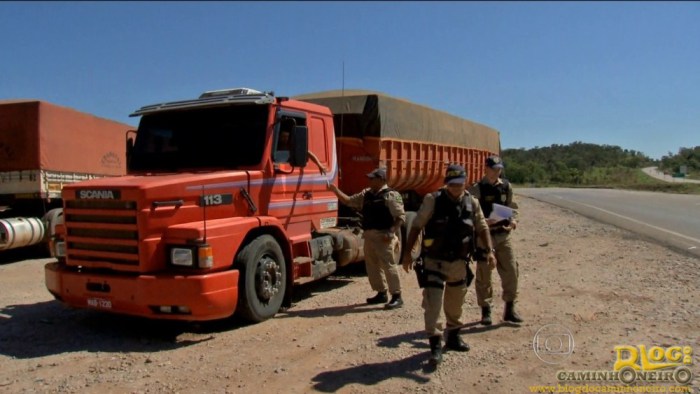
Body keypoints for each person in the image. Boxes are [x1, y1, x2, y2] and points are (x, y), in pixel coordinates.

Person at [401, 164, 496, 366]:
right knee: (433, 306)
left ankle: (453, 337)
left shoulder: (473, 203)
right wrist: (408, 253)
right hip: (434, 261)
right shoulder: (432, 200)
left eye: (459, 184)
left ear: (465, 183)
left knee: (455, 305)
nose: (456, 188)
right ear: (447, 183)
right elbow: (417, 226)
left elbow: (482, 227)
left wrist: (489, 251)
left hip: (459, 263)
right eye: (452, 184)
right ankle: (435, 345)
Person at [328, 167, 406, 309]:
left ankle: (397, 295)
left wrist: (391, 232)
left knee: (388, 266)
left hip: (383, 236)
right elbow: (349, 201)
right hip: (369, 236)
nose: (369, 180)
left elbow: (401, 217)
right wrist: (335, 190)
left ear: (381, 179)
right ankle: (381, 293)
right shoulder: (366, 194)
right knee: (372, 266)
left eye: (372, 178)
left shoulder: (391, 195)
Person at [468, 155, 523, 325]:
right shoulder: (476, 189)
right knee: (484, 273)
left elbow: (512, 207)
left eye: (499, 169)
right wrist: (483, 222)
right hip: (485, 236)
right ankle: (486, 310)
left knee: (511, 271)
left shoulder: (506, 186)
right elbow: (468, 213)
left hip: (503, 235)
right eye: (493, 169)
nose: (496, 172)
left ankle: (510, 309)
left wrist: (513, 221)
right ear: (486, 168)